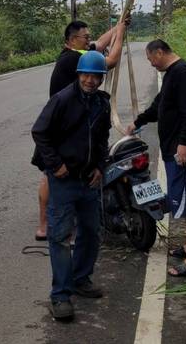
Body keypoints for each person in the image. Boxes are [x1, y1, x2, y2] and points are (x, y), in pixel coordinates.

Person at [31, 50, 111, 322]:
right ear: (78, 74)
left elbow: (102, 138)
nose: (91, 80)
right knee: (60, 237)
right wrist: (55, 165)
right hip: (64, 181)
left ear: (102, 78)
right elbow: (39, 132)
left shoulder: (102, 103)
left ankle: (80, 278)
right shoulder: (62, 100)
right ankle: (61, 295)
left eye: (96, 76)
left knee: (92, 231)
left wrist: (100, 165)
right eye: (86, 74)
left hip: (88, 180)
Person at [126, 39, 186, 277]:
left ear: (159, 52)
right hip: (174, 150)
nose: (151, 63)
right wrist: (138, 121)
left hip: (183, 152)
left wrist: (185, 143)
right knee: (182, 198)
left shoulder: (182, 72)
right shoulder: (173, 74)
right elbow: (159, 106)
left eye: (150, 59)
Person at [35, 18, 127, 240]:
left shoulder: (78, 52)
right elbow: (110, 59)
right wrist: (121, 34)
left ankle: (63, 217)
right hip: (62, 129)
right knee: (51, 174)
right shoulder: (75, 58)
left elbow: (100, 44)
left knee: (66, 174)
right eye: (85, 37)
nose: (90, 40)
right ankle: (44, 224)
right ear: (71, 40)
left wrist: (118, 25)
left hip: (76, 124)